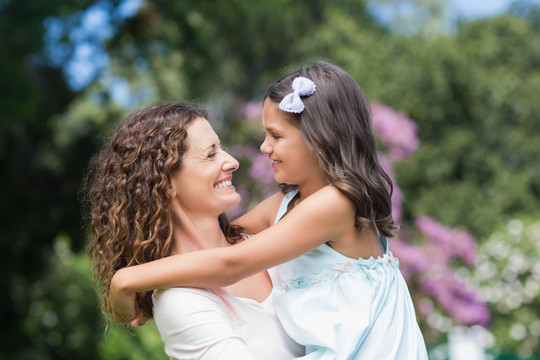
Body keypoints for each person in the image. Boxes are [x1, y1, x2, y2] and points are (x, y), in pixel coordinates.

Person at [110, 61, 429, 359]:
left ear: (319, 140)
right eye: (211, 154)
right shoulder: (285, 207)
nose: (262, 147)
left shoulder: (337, 204)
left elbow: (232, 261)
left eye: (275, 135)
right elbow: (225, 242)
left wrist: (128, 279)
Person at [87, 102, 304, 359]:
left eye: (221, 149)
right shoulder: (179, 301)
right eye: (211, 154)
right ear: (165, 183)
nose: (232, 162)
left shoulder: (268, 234)